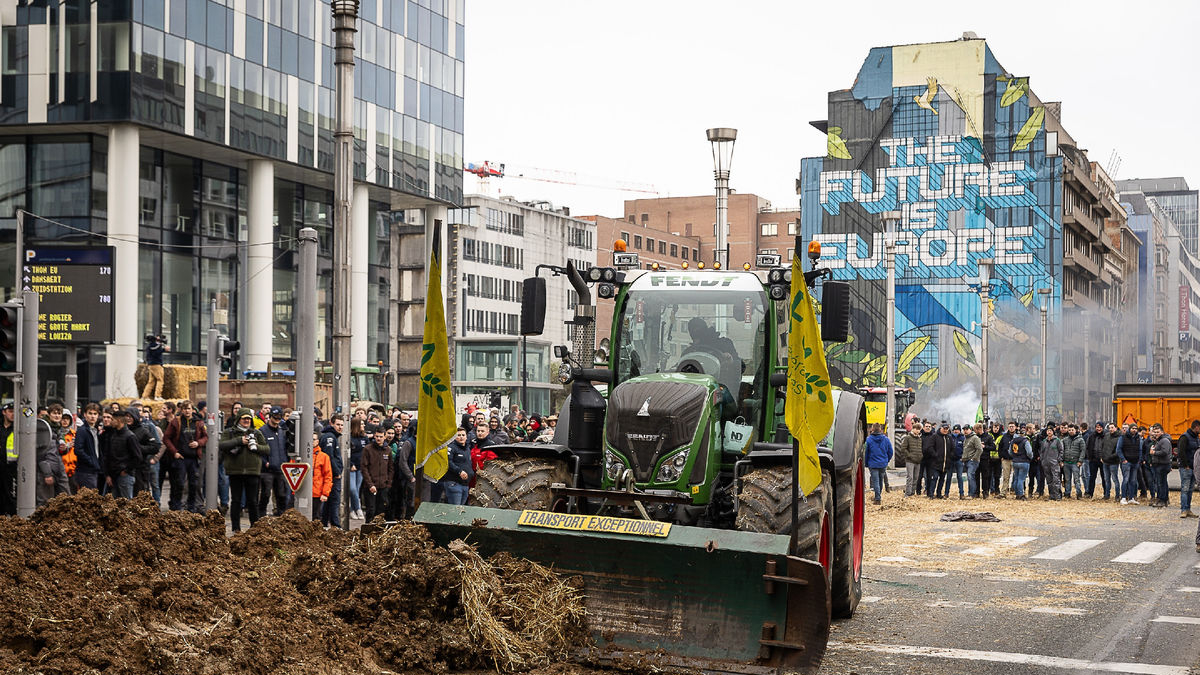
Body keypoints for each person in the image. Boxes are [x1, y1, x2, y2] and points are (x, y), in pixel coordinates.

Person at [219, 410, 268, 532]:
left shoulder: (257, 433)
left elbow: (267, 449)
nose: (246, 421)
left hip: (253, 471)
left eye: (248, 419)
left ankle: (255, 528)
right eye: (244, 418)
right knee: (236, 500)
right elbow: (222, 445)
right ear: (238, 419)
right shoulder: (229, 432)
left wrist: (256, 446)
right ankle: (236, 528)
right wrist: (239, 441)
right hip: (235, 471)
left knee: (253, 501)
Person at [165, 400, 206, 513]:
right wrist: (174, 452)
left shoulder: (198, 422)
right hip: (181, 457)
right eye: (184, 409)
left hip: (193, 458)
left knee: (194, 483)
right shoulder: (175, 422)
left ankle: (192, 507)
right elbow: (166, 438)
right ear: (181, 410)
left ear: (192, 410)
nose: (187, 411)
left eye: (189, 409)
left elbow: (205, 437)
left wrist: (198, 443)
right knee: (180, 483)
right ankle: (178, 506)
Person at [258, 406, 291, 517]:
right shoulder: (262, 431)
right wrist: (265, 463)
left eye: (279, 417)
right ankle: (261, 516)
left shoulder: (282, 431)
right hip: (267, 470)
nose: (277, 419)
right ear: (270, 416)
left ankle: (281, 516)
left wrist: (285, 462)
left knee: (281, 495)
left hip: (280, 469)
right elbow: (257, 450)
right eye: (275, 417)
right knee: (265, 494)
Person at [103, 409, 141, 499]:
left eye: (112, 419)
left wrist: (126, 470)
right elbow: (108, 456)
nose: (110, 422)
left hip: (125, 476)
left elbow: (137, 457)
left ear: (119, 420)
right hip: (114, 476)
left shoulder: (130, 436)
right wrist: (108, 474)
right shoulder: (113, 435)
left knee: (126, 505)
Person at [35, 416, 70, 506]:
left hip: (58, 469)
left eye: (59, 413)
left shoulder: (59, 431)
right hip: (46, 471)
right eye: (54, 413)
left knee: (66, 500)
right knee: (45, 503)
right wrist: (47, 474)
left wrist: (64, 449)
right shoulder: (43, 430)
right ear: (49, 415)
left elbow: (58, 454)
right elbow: (40, 455)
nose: (57, 416)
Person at [318, 414, 345, 528]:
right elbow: (329, 456)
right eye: (337, 424)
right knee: (334, 502)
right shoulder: (330, 437)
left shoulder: (332, 436)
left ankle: (325, 524)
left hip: (331, 476)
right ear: (331, 424)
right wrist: (337, 472)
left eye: (342, 425)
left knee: (329, 504)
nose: (340, 427)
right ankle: (336, 526)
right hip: (332, 477)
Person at [360, 426, 393, 522]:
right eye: (377, 436)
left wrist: (388, 483)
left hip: (383, 485)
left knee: (381, 511)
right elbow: (364, 468)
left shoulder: (388, 450)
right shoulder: (368, 449)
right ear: (374, 436)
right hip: (370, 486)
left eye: (381, 436)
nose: (378, 438)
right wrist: (370, 484)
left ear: (384, 437)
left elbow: (391, 468)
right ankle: (368, 531)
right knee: (371, 510)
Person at [73, 404, 103, 492]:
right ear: (85, 414)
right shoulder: (82, 430)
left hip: (93, 470)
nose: (92, 416)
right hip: (85, 471)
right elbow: (78, 450)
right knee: (89, 498)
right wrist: (91, 461)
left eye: (95, 414)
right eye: (90, 413)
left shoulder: (95, 430)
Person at [441, 428, 473, 505]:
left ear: (466, 437)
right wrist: (459, 471)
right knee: (455, 509)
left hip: (465, 484)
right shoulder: (451, 448)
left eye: (463, 435)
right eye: (458, 435)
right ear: (454, 437)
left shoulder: (467, 449)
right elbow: (448, 462)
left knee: (461, 509)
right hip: (454, 483)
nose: (461, 437)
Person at [923, 422, 953, 499]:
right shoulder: (935, 436)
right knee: (934, 478)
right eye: (944, 429)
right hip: (935, 463)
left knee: (942, 479)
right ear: (941, 428)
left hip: (945, 463)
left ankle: (939, 493)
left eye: (947, 429)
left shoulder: (949, 438)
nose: (945, 430)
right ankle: (931, 493)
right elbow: (930, 447)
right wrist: (935, 455)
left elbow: (953, 448)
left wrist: (950, 457)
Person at [865, 423, 892, 504]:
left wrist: (866, 463)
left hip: (872, 463)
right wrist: (887, 460)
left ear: (872, 429)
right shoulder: (886, 439)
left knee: (875, 481)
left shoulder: (869, 439)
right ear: (880, 429)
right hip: (883, 463)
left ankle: (877, 498)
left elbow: (866, 453)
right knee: (880, 480)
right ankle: (878, 495)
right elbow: (890, 451)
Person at [1147, 424, 1172, 508]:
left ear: (1162, 432)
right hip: (1158, 464)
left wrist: (1154, 453)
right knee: (1161, 482)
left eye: (1158, 432)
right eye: (1154, 432)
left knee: (1161, 483)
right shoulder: (1159, 440)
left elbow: (1165, 452)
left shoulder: (1164, 440)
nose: (1156, 433)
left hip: (1162, 465)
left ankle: (1163, 500)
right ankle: (1162, 499)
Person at [347, 418, 367, 521]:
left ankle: (352, 509)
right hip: (352, 467)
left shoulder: (364, 438)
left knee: (357, 489)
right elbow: (347, 452)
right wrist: (350, 464)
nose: (364, 426)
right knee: (352, 489)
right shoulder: (350, 438)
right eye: (362, 424)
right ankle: (357, 509)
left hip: (361, 467)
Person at [1115, 423, 1141, 505]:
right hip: (1127, 462)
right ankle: (1123, 497)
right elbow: (1118, 449)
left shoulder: (1138, 438)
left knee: (1133, 481)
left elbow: (1140, 450)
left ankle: (1131, 498)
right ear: (1129, 429)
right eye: (1133, 428)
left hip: (1135, 462)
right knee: (1126, 480)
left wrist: (1139, 460)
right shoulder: (1123, 437)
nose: (1134, 430)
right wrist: (1123, 459)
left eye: (1136, 428)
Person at [1178, 420, 1198, 518]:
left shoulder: (1196, 438)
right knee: (1185, 489)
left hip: (1194, 468)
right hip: (1186, 468)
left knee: (1190, 490)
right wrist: (1185, 465)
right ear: (1196, 427)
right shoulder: (1185, 437)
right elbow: (1181, 452)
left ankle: (1188, 509)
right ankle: (1184, 510)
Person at [311, 432, 332, 523]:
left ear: (318, 441)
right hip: (302, 493)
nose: (312, 441)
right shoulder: (300, 455)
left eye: (314, 439)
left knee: (316, 519)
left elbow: (328, 476)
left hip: (317, 493)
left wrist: (325, 493)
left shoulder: (324, 457)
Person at [141, 334, 169, 400]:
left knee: (151, 381)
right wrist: (164, 349)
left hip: (151, 365)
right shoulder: (154, 346)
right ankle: (158, 396)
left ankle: (145, 396)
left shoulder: (150, 346)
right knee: (160, 380)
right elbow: (156, 353)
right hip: (156, 364)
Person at [897, 424, 923, 497]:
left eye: (919, 429)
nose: (918, 431)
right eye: (917, 429)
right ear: (913, 429)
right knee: (910, 477)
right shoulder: (908, 438)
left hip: (918, 461)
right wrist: (909, 456)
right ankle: (907, 493)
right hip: (910, 461)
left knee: (916, 478)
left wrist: (921, 456)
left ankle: (912, 493)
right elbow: (903, 448)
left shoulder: (919, 439)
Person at [1062, 423, 1086, 499]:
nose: (1071, 431)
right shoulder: (1065, 440)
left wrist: (1080, 461)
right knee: (1067, 479)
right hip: (1066, 462)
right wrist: (1062, 460)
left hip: (1075, 463)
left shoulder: (1080, 440)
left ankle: (1078, 493)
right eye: (1069, 430)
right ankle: (1067, 493)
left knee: (1076, 479)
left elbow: (1083, 451)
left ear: (1076, 430)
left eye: (1072, 430)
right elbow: (1062, 450)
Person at [1008, 427, 1033, 500]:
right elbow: (1029, 452)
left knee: (1016, 478)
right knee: (1021, 479)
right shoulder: (1025, 441)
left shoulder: (1013, 441)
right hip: (1024, 461)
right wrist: (1030, 458)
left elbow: (1010, 452)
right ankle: (1021, 494)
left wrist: (1015, 457)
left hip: (1015, 461)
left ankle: (1017, 494)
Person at [942, 424, 965, 499]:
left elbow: (965, 448)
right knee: (948, 477)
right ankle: (946, 493)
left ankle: (961, 494)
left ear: (960, 430)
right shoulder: (949, 437)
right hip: (950, 460)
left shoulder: (963, 438)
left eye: (957, 430)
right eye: (955, 430)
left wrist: (963, 457)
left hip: (959, 460)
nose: (956, 431)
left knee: (960, 477)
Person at [1040, 425, 1063, 501]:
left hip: (1054, 463)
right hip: (1046, 464)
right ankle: (1051, 495)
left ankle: (1058, 495)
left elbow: (1061, 451)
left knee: (1056, 479)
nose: (1049, 432)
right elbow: (1041, 452)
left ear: (1053, 432)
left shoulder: (1057, 440)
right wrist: (1042, 460)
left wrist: (1059, 460)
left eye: (1050, 431)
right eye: (1048, 431)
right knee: (1049, 480)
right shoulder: (1044, 441)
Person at [1084, 421, 1105, 498]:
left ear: (1102, 428)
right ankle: (1090, 493)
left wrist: (1105, 457)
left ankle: (1106, 494)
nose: (1098, 429)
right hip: (1093, 460)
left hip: (1103, 460)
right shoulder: (1091, 436)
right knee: (1092, 477)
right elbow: (1087, 447)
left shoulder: (1105, 436)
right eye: (1097, 427)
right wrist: (1089, 457)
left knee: (1104, 478)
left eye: (1100, 427)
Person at [962, 424, 983, 499]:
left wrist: (974, 458)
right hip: (967, 460)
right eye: (964, 429)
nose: (965, 431)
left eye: (966, 429)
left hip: (972, 461)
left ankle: (972, 494)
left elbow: (980, 449)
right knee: (969, 477)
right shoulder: (966, 438)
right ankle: (970, 493)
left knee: (971, 476)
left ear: (970, 429)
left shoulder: (975, 438)